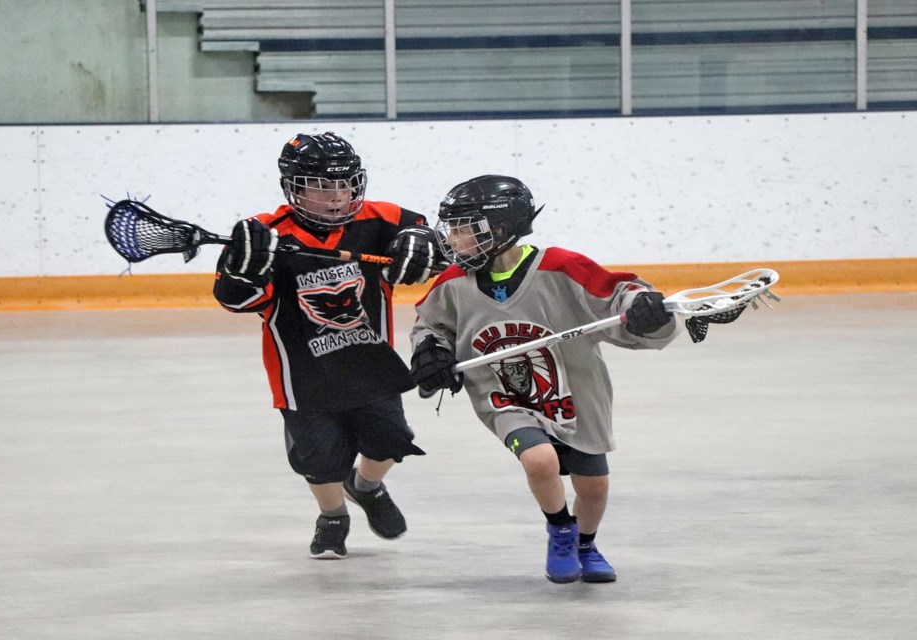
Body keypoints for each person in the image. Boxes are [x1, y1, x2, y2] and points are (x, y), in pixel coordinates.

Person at [408, 175, 680, 583]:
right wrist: (431, 352)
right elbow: (429, 326)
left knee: (593, 486)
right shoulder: (452, 285)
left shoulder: (561, 268)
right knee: (539, 459)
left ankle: (586, 543)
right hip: (505, 399)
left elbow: (619, 294)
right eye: (452, 229)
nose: (453, 239)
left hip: (576, 396)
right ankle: (561, 529)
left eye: (464, 229)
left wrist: (645, 309)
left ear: (499, 230)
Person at [213, 132, 443, 560]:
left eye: (344, 185)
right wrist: (240, 272)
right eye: (320, 187)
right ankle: (333, 515)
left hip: (369, 364)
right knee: (319, 460)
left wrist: (423, 240)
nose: (337, 197)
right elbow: (235, 300)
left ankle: (367, 487)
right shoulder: (264, 233)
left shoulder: (380, 219)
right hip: (303, 375)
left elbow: (424, 230)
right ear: (293, 188)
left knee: (391, 438)